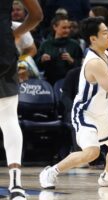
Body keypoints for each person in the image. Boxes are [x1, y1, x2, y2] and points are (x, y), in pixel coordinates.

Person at [39, 17, 108, 189]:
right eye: (105, 33)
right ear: (93, 39)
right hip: (85, 113)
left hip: (102, 113)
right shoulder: (94, 62)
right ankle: (51, 171)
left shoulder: (107, 55)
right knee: (92, 152)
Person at [0, 0, 43, 199]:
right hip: (3, 47)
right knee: (9, 119)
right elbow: (36, 15)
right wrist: (15, 33)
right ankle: (16, 185)